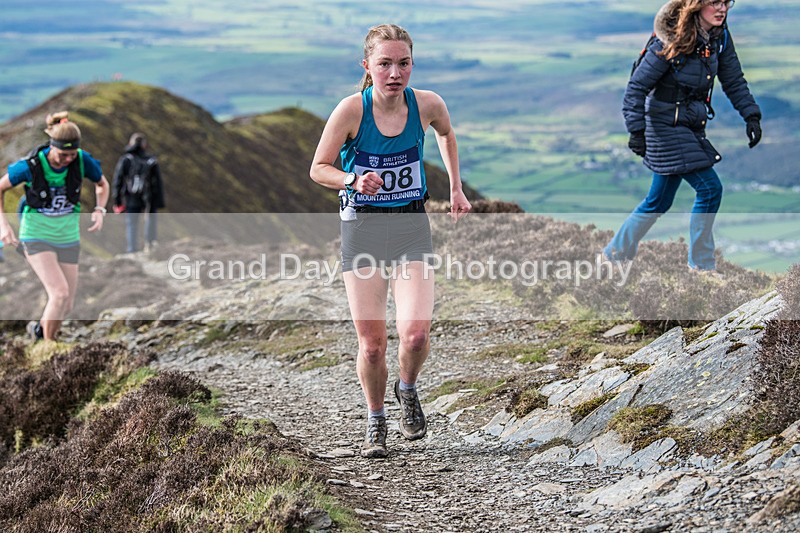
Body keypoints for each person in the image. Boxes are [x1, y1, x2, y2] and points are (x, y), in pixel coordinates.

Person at [310, 24, 471, 458]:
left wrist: (456, 187)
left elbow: (446, 133)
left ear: (412, 64)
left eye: (403, 63)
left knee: (415, 336)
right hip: (362, 229)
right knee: (372, 345)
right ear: (367, 66)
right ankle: (376, 418)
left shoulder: (428, 104)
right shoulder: (351, 111)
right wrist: (352, 180)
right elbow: (318, 168)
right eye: (384, 64)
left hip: (410, 227)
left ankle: (408, 388)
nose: (395, 73)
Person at [604, 0, 761, 273]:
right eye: (715, 2)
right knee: (710, 189)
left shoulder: (719, 38)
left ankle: (613, 255)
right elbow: (636, 88)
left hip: (689, 124)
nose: (722, 9)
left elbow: (733, 79)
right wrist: (636, 131)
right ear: (696, 5)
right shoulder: (670, 39)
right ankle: (701, 266)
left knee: (658, 201)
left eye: (727, 2)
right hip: (664, 126)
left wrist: (751, 115)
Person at [0, 111, 109, 341]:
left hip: (68, 237)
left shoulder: (82, 160)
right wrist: (4, 227)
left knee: (66, 304)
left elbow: (102, 184)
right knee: (59, 294)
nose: (68, 159)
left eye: (72, 154)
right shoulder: (30, 166)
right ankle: (50, 346)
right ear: (52, 146)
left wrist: (100, 210)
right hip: (36, 234)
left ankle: (39, 332)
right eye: (63, 154)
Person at [112, 133, 165, 253]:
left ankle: (132, 250)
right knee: (150, 220)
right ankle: (150, 246)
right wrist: (159, 201)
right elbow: (158, 182)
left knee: (132, 224)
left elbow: (118, 180)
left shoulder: (126, 159)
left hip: (131, 197)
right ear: (144, 145)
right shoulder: (151, 161)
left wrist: (117, 201)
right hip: (149, 197)